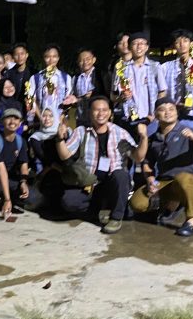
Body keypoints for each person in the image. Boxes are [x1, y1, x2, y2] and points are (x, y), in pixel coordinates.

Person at [55, 96, 148, 232]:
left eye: (104, 110)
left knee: (121, 175)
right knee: (69, 201)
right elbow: (65, 155)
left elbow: (138, 157)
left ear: (110, 113)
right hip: (90, 184)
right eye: (97, 110)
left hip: (112, 183)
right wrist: (59, 139)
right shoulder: (81, 132)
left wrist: (144, 138)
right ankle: (95, 210)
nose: (101, 113)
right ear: (90, 112)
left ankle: (116, 218)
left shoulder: (120, 132)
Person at [128, 98, 193, 237]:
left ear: (177, 112)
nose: (167, 113)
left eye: (171, 109)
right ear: (156, 115)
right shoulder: (154, 138)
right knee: (137, 203)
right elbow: (147, 163)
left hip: (188, 180)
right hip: (165, 181)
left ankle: (190, 221)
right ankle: (171, 204)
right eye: (162, 110)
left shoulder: (187, 130)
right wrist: (150, 180)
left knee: (184, 179)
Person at [112, 31, 167, 137]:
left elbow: (162, 92)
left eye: (142, 43)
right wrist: (121, 98)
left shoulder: (155, 67)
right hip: (128, 118)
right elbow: (113, 96)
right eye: (135, 43)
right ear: (130, 47)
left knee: (150, 145)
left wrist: (155, 113)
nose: (139, 46)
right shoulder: (121, 68)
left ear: (147, 47)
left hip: (150, 119)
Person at [161, 28, 193, 131]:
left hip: (191, 116)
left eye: (185, 41)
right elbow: (162, 93)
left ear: (191, 44)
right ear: (174, 45)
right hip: (172, 115)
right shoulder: (165, 67)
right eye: (178, 42)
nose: (182, 44)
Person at [25, 44, 76, 123]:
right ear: (43, 58)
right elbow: (31, 100)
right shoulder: (35, 78)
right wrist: (41, 118)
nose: (51, 60)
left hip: (60, 121)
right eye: (47, 57)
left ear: (58, 58)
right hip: (42, 121)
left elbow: (68, 101)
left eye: (54, 56)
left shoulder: (66, 78)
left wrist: (61, 117)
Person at [73, 47, 108, 126]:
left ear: (94, 60)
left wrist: (94, 95)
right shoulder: (75, 78)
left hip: (99, 119)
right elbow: (74, 98)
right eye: (81, 60)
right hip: (81, 119)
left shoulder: (101, 75)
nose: (85, 62)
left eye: (88, 59)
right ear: (78, 62)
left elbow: (107, 94)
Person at [104, 32, 131, 98]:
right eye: (121, 43)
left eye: (127, 42)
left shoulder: (137, 63)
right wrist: (119, 98)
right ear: (116, 46)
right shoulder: (115, 64)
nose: (125, 45)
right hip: (118, 102)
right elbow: (112, 92)